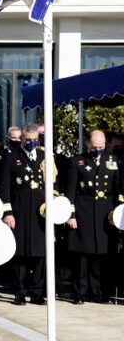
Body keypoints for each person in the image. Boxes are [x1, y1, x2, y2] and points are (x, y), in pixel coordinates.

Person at [65, 130, 122, 304]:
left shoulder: (112, 161)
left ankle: (98, 293)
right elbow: (70, 191)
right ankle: (80, 293)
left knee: (102, 254)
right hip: (84, 211)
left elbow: (118, 188)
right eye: (95, 146)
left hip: (105, 212)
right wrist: (71, 214)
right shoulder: (77, 161)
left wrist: (119, 213)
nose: (98, 150)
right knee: (82, 255)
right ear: (87, 143)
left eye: (101, 146)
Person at [0, 124, 48, 305]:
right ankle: (19, 291)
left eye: (34, 140)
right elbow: (4, 187)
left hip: (40, 211)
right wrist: (7, 212)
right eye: (28, 140)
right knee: (19, 252)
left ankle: (37, 292)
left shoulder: (44, 157)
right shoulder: (12, 158)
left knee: (40, 251)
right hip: (19, 209)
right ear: (21, 139)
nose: (31, 143)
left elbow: (53, 182)